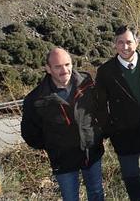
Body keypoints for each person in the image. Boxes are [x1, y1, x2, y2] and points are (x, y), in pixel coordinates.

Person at [21, 47, 104, 201]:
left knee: (97, 193)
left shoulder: (87, 84)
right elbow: (29, 133)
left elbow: (100, 112)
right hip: (63, 160)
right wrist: (53, 145)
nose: (64, 70)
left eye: (67, 64)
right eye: (58, 66)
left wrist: (96, 135)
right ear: (48, 68)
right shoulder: (36, 99)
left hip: (91, 153)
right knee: (70, 198)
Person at [95, 25, 140, 200]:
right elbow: (101, 105)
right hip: (123, 131)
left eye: (129, 42)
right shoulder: (105, 71)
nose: (125, 47)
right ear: (114, 44)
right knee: (130, 173)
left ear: (137, 42)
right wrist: (109, 128)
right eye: (120, 42)